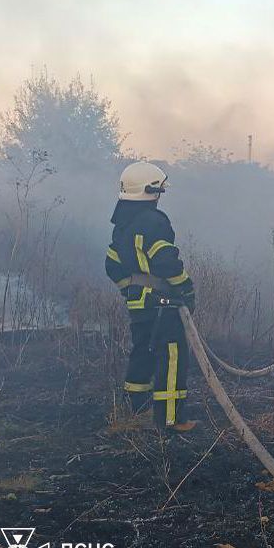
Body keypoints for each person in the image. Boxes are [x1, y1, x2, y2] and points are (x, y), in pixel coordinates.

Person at [104, 161, 197, 431]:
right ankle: (171, 419)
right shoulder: (154, 222)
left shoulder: (122, 224)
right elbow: (166, 261)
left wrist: (128, 288)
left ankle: (136, 410)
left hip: (139, 305)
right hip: (164, 304)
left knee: (142, 352)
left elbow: (111, 264)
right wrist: (186, 289)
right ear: (151, 192)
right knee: (171, 356)